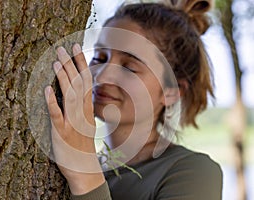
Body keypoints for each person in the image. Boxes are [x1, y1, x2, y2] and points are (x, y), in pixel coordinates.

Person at [44, 0, 223, 199]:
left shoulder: (193, 173)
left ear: (172, 90)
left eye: (129, 67)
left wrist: (85, 174)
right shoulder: (66, 164)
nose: (101, 76)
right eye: (100, 58)